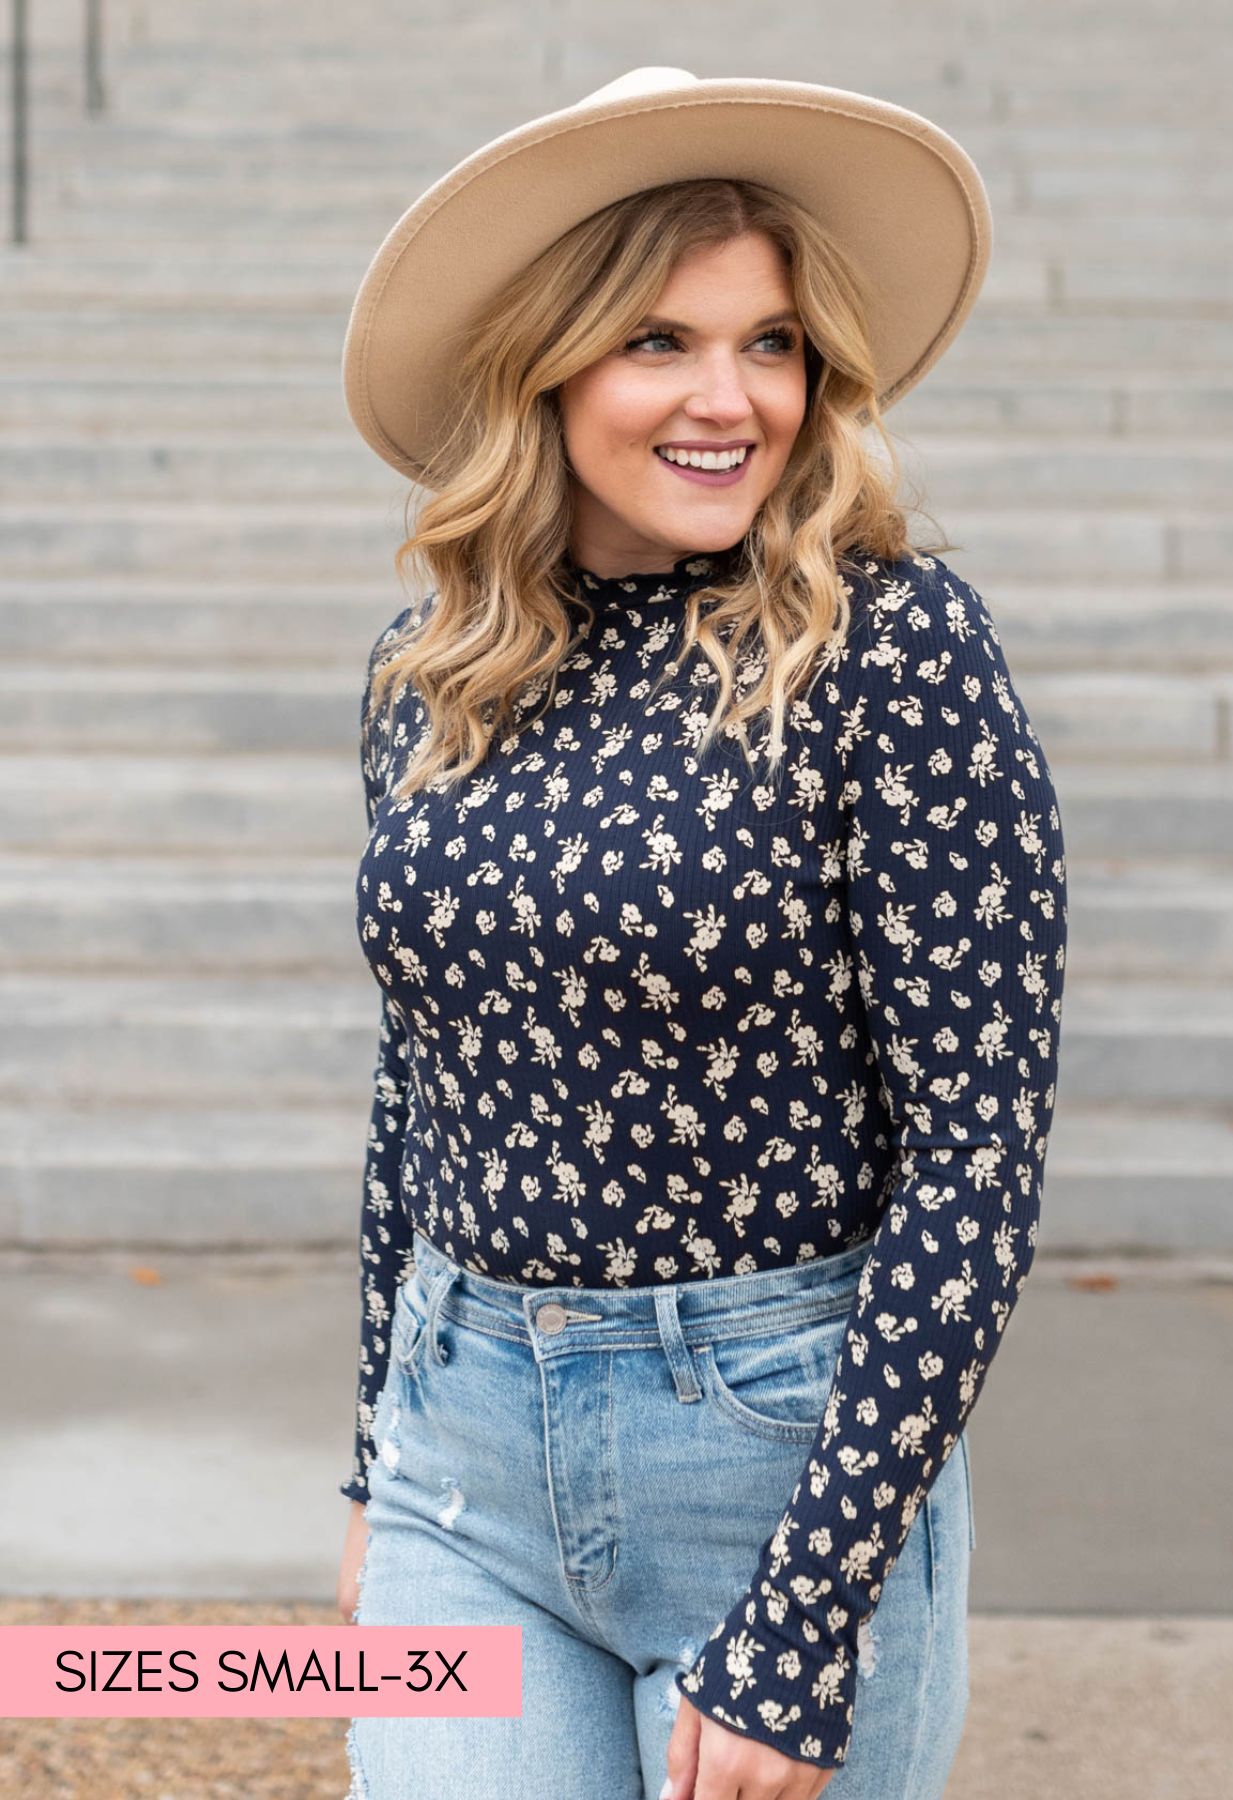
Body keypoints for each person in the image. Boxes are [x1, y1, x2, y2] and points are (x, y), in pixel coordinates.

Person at [335, 68, 1068, 1800]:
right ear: (548, 365)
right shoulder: (429, 671)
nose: (731, 399)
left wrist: (807, 1622)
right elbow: (417, 1095)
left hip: (770, 1461)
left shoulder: (892, 654)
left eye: (772, 345)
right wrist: (374, 1460)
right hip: (465, 1456)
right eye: (659, 342)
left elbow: (976, 1152)